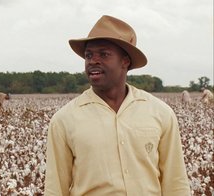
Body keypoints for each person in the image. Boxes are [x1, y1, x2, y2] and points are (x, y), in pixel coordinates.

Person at [44, 15, 190, 195]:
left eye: (104, 54)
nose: (93, 61)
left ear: (125, 61)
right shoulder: (64, 120)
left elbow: (176, 183)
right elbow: (55, 188)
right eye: (89, 55)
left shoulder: (160, 113)